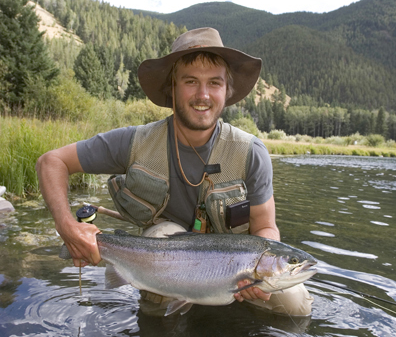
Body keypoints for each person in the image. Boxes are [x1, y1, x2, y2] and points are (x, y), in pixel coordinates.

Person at [36, 27, 313, 316]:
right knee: (161, 240)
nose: (203, 95)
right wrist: (68, 228)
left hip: (234, 270)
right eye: (191, 81)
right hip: (162, 260)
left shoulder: (251, 153)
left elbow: (265, 229)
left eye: (214, 83)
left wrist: (263, 276)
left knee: (296, 305)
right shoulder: (135, 142)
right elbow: (51, 162)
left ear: (227, 90)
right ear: (173, 87)